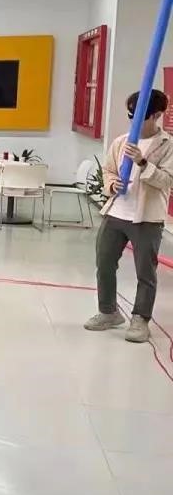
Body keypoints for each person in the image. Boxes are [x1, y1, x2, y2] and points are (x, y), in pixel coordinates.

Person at [85, 89, 173, 343]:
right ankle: (108, 312)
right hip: (116, 212)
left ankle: (140, 319)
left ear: (156, 115)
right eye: (130, 116)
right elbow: (108, 171)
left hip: (147, 217)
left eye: (140, 117)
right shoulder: (121, 141)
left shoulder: (167, 145)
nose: (133, 122)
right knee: (104, 262)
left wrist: (143, 163)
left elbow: (167, 181)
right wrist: (112, 184)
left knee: (145, 271)